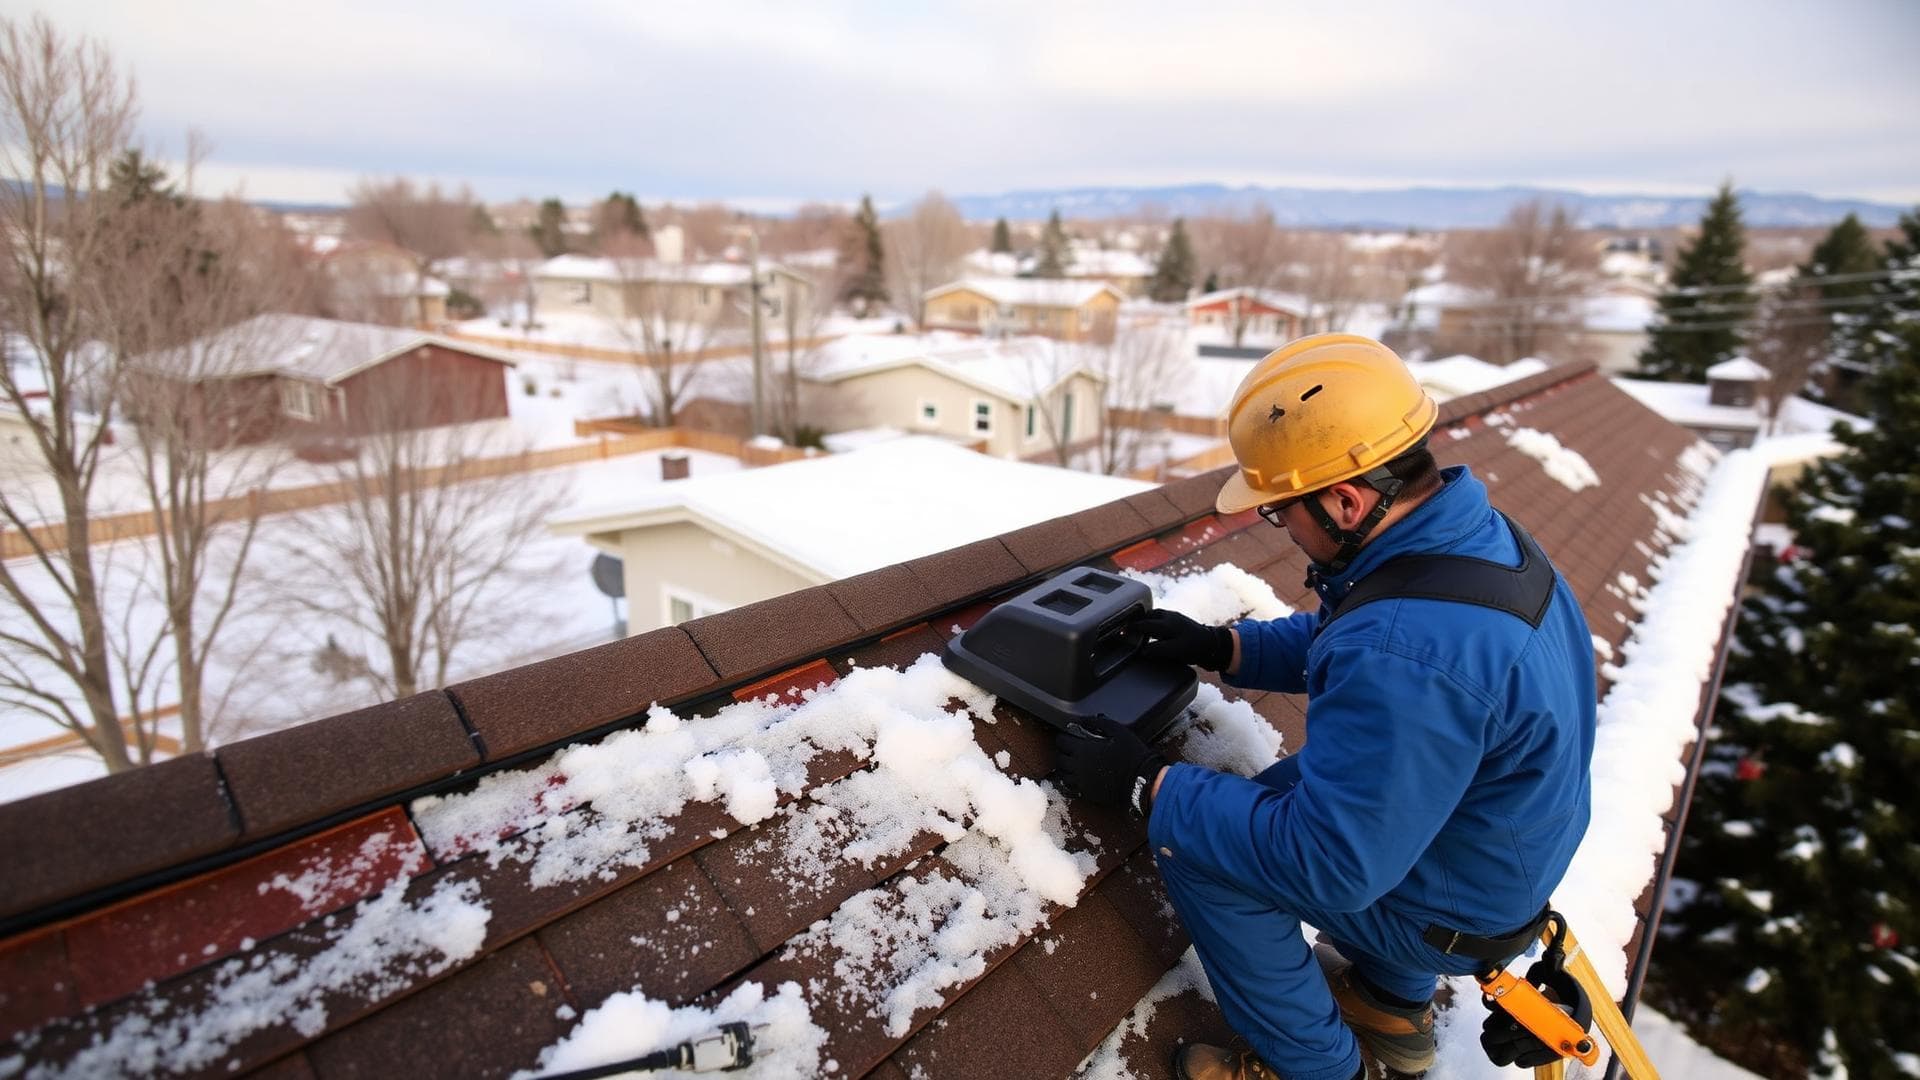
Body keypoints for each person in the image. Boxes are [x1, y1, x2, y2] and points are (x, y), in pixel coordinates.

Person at [1053, 334, 1598, 1080]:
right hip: (1485, 852)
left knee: (1197, 840)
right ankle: (1385, 1003)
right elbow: (1366, 635)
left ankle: (1318, 1068)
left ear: (1344, 500)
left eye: (1281, 513)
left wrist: (1149, 783)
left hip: (1453, 908)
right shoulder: (1467, 541)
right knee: (1288, 799)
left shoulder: (1407, 647)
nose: (1283, 529)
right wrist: (1222, 647)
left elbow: (1328, 867)